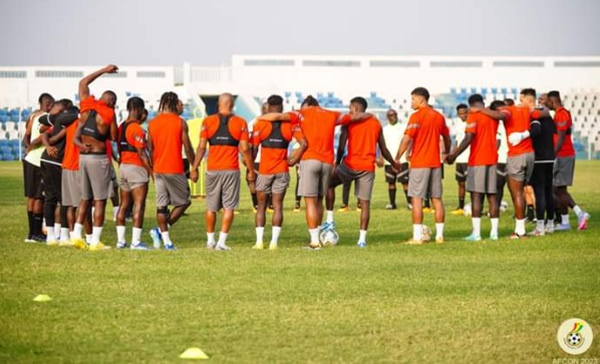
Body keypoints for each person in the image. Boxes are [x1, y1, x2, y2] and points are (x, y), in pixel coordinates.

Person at [260, 95, 373, 250]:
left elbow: (277, 116)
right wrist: (370, 115)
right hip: (327, 162)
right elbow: (357, 116)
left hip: (310, 160)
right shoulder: (331, 114)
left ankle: (314, 242)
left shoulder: (301, 113)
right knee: (319, 199)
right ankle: (318, 235)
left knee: (310, 202)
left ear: (307, 105)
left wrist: (262, 118)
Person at [471, 88, 547, 239]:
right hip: (530, 154)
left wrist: (480, 109)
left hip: (516, 155)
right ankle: (525, 227)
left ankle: (520, 231)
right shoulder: (526, 110)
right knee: (523, 190)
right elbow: (545, 112)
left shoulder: (508, 111)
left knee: (516, 193)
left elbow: (500, 115)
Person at [326, 97, 400, 247]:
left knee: (329, 184)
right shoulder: (376, 123)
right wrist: (393, 163)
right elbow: (383, 148)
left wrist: (337, 163)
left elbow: (341, 145)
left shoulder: (350, 122)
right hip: (367, 167)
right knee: (365, 204)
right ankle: (362, 240)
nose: (349, 111)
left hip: (350, 164)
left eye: (350, 108)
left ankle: (329, 221)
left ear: (356, 108)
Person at [190, 93, 254, 251]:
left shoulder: (208, 121)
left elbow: (201, 147)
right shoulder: (240, 122)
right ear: (232, 105)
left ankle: (210, 241)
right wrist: (250, 170)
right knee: (229, 207)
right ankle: (221, 242)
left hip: (212, 170)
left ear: (219, 104)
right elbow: (245, 148)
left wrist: (194, 167)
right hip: (231, 170)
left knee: (211, 207)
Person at [70, 65, 119, 250]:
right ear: (112, 101)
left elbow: (83, 82)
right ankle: (95, 241)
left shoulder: (86, 106)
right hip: (98, 158)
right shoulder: (109, 114)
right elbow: (114, 137)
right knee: (99, 200)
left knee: (84, 198)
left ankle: (76, 234)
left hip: (82, 157)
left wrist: (104, 70)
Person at [250, 95, 307, 249]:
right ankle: (274, 242)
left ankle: (259, 242)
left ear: (268, 107)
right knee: (278, 206)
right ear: (281, 107)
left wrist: (250, 169)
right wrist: (293, 160)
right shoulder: (290, 124)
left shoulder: (260, 123)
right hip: (282, 169)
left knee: (261, 206)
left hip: (264, 170)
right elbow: (304, 143)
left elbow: (254, 149)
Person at [395, 87, 450, 244]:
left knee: (417, 199)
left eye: (413, 99)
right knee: (437, 199)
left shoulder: (416, 116)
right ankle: (440, 236)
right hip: (435, 163)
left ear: (421, 99)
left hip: (420, 163)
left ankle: (417, 237)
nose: (411, 102)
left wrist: (397, 157)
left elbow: (407, 138)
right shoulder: (438, 117)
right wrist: (445, 153)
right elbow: (447, 137)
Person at [446, 94, 499, 241]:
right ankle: (494, 233)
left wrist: (454, 155)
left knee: (476, 196)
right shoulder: (492, 115)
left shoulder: (474, 115)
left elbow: (468, 138)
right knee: (492, 196)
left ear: (471, 105)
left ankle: (476, 234)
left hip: (478, 160)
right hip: (492, 159)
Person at [147, 92, 195, 250]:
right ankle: (160, 231)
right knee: (184, 201)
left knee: (161, 206)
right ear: (174, 103)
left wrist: (153, 168)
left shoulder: (152, 123)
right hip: (174, 168)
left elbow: (149, 148)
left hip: (158, 169)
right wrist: (194, 166)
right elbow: (187, 147)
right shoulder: (180, 123)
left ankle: (166, 241)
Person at [548, 90, 590, 230]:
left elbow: (560, 138)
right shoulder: (561, 114)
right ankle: (565, 222)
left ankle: (579, 213)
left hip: (563, 155)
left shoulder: (562, 114)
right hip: (562, 155)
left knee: (559, 190)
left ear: (552, 101)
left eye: (548, 101)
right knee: (558, 189)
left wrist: (553, 155)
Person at [115, 97, 153, 250]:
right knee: (139, 204)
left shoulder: (121, 127)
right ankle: (136, 242)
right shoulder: (136, 129)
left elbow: (119, 148)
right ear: (137, 109)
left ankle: (120, 241)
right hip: (136, 168)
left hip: (123, 167)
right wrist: (152, 172)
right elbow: (142, 154)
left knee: (124, 205)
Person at [39, 99, 77, 245]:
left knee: (50, 198)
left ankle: (51, 236)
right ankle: (64, 235)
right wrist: (49, 144)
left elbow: (42, 129)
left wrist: (49, 144)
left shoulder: (58, 119)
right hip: (57, 161)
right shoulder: (72, 119)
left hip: (47, 160)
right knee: (64, 199)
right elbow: (43, 129)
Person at [23, 93, 54, 242]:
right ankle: (36, 233)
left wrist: (27, 147)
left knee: (31, 197)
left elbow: (26, 135)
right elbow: (42, 137)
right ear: (47, 103)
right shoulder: (47, 118)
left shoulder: (33, 116)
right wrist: (33, 145)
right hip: (38, 161)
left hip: (29, 160)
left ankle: (31, 233)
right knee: (39, 198)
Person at [527, 93, 556, 236]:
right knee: (548, 191)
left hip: (539, 158)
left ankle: (540, 227)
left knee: (539, 193)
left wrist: (524, 134)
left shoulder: (535, 116)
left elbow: (536, 130)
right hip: (550, 158)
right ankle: (550, 224)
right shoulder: (550, 118)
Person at [378, 108, 410, 210]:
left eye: (395, 114)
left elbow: (409, 141)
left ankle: (410, 203)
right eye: (391, 115)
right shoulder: (384, 129)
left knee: (405, 183)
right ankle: (392, 203)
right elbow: (382, 145)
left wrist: (408, 153)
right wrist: (381, 158)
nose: (394, 117)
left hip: (402, 160)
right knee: (391, 183)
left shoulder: (403, 127)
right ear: (388, 117)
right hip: (389, 161)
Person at [450, 104, 470, 215]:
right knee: (460, 183)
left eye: (465, 113)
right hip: (460, 159)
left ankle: (474, 205)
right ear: (458, 114)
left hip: (469, 158)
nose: (463, 115)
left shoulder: (471, 123)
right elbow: (457, 143)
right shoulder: (458, 125)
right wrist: (452, 155)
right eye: (461, 113)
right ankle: (460, 206)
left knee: (471, 184)